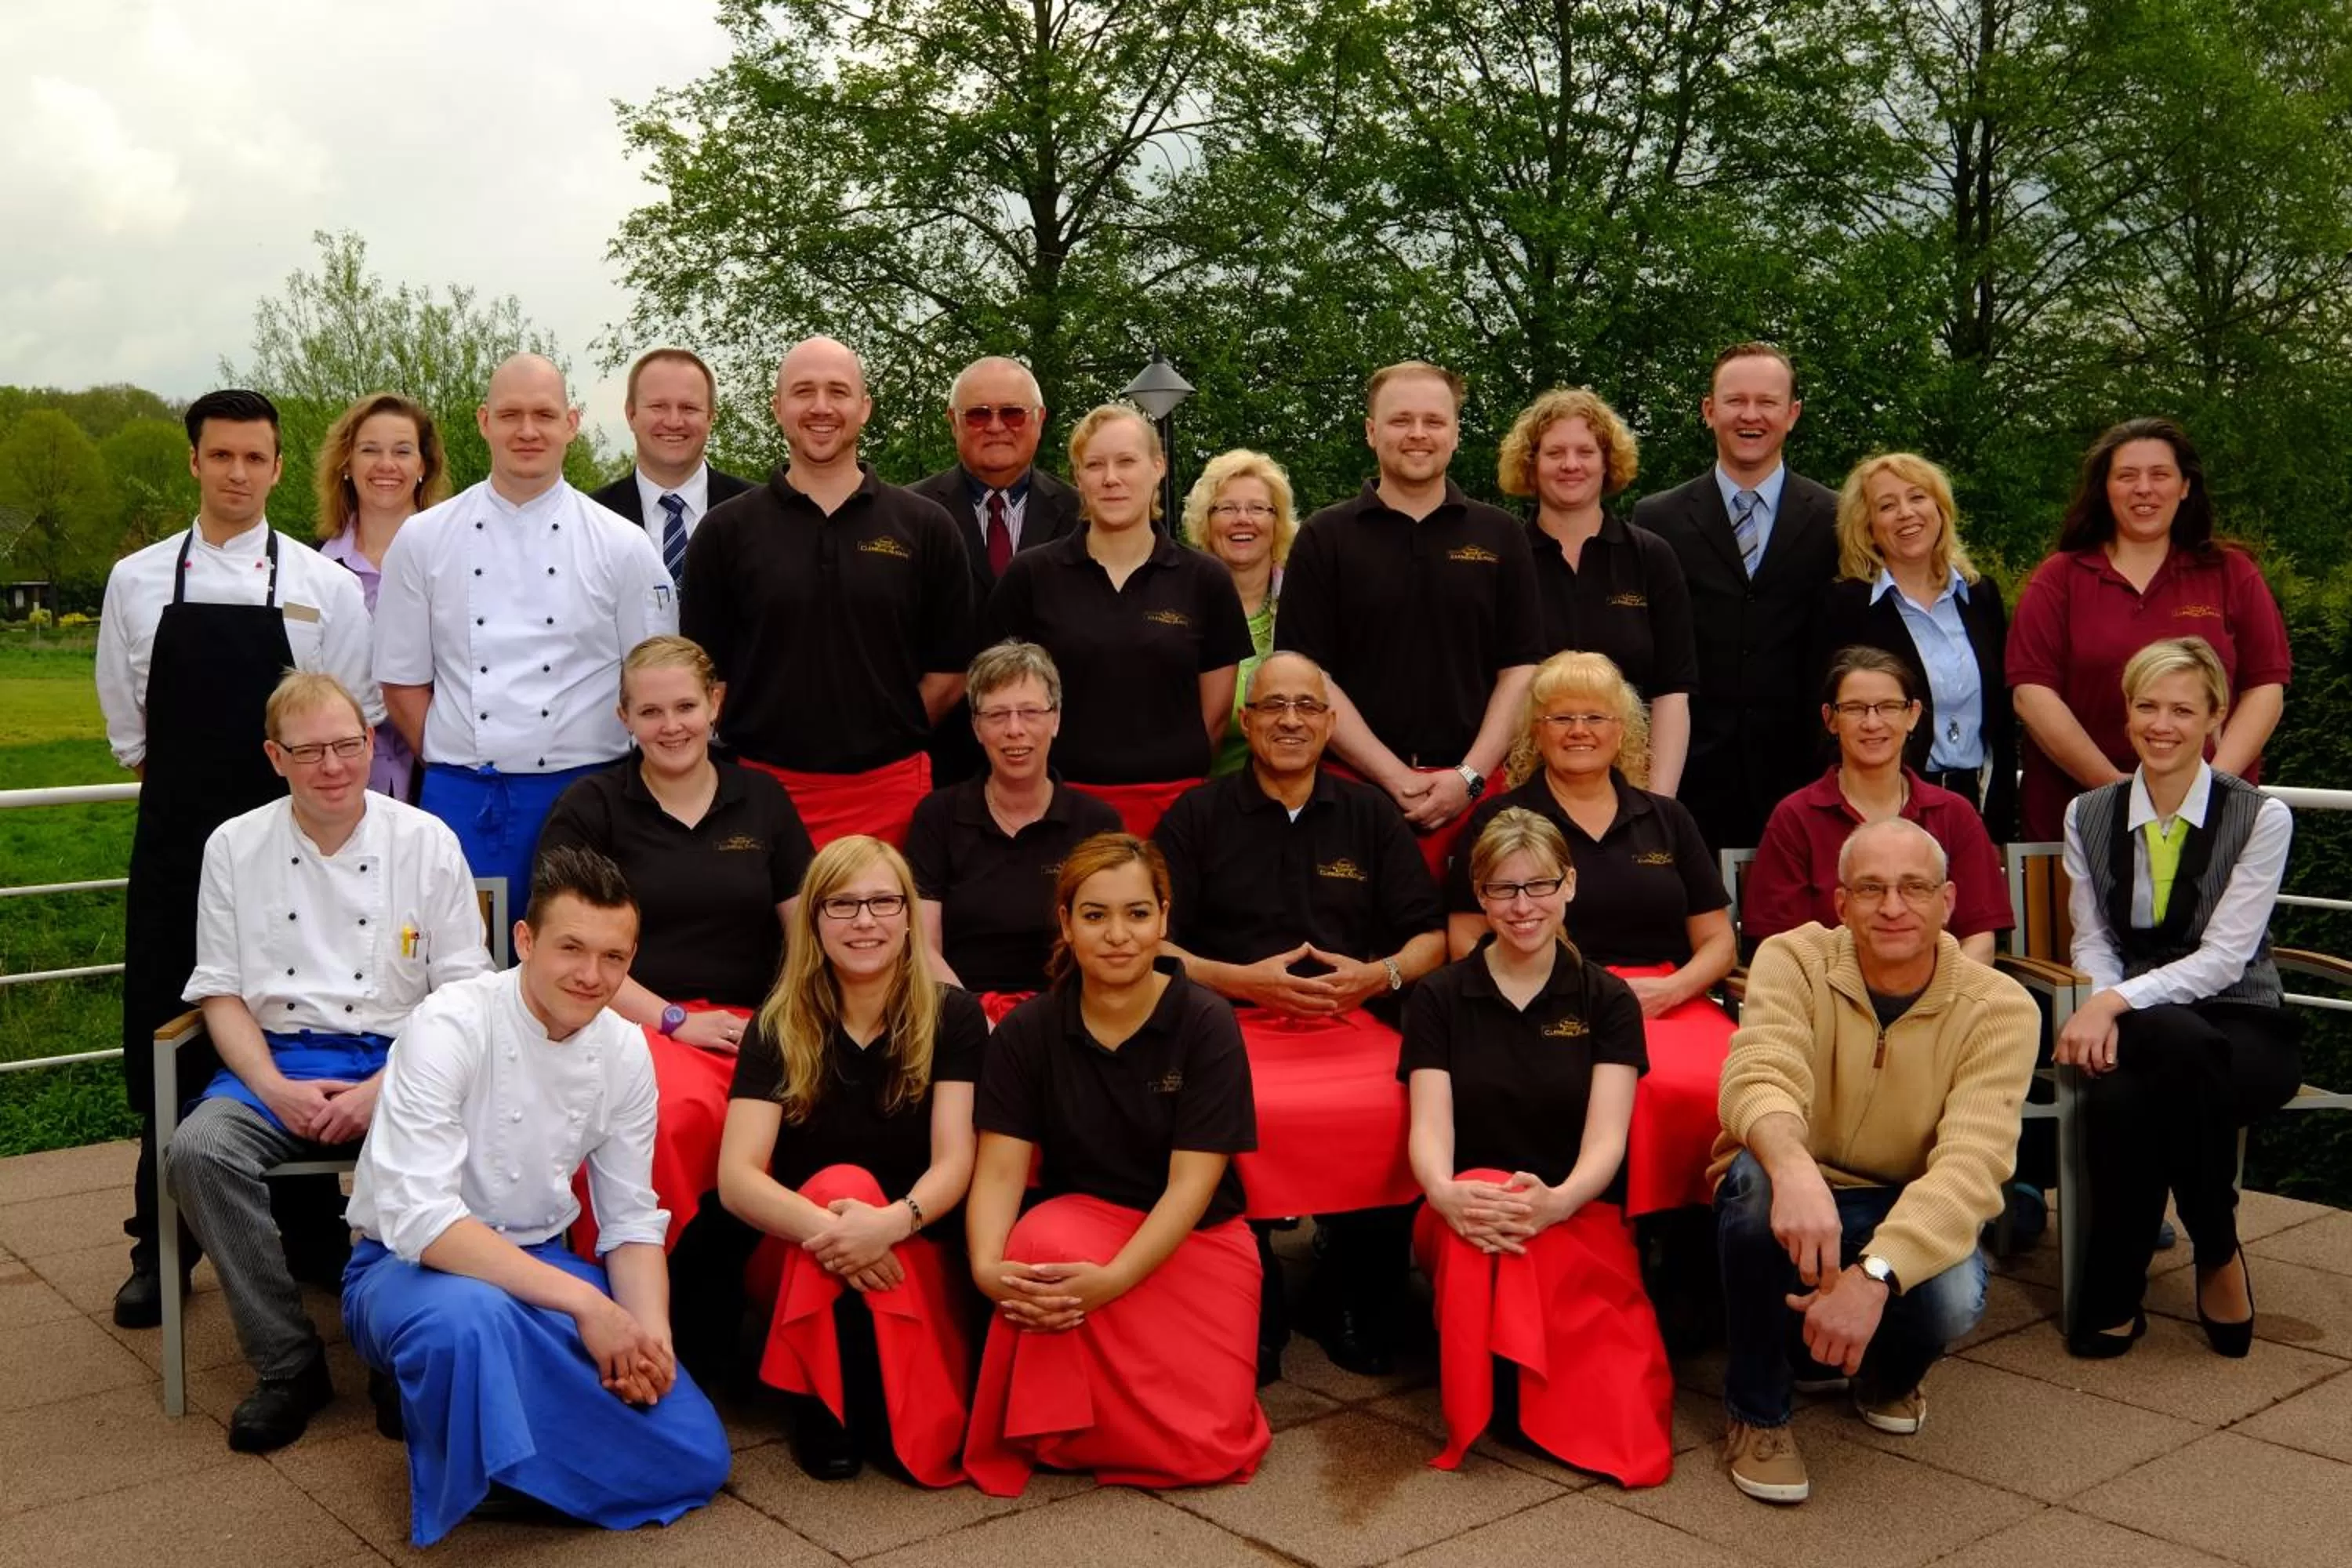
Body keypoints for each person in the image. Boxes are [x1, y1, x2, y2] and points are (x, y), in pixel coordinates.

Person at [343, 846, 731, 1546]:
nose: (591, 976)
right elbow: (426, 1222)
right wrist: (589, 1305)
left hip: (540, 1268)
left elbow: (631, 1220)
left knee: (699, 1452)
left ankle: (493, 1444)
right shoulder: (450, 1024)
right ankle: (479, 1454)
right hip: (406, 1273)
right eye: (571, 948)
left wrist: (650, 1338)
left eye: (614, 958)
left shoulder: (626, 1050)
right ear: (524, 941)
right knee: (468, 1319)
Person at [97, 387, 379, 1329]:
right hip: (180, 849)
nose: (238, 473)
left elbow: (352, 720)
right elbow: (131, 735)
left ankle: (307, 1238)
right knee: (168, 1037)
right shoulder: (136, 580)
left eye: (256, 458)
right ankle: (160, 1247)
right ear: (194, 461)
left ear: (277, 465)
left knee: (290, 1015)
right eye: (221, 456)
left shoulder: (323, 587)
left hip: (300, 849)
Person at [165, 672, 492, 1452]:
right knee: (198, 1150)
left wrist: (387, 1087)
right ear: (275, 756)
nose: (333, 766)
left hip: (405, 1054)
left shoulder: (426, 839)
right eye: (309, 751)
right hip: (274, 1056)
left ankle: (395, 1352)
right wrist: (273, 1088)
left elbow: (466, 991)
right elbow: (219, 992)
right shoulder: (234, 845)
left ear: (372, 742)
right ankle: (287, 1362)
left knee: (441, 1146)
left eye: (347, 745)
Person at [1711, 818, 2036, 1506]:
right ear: (1841, 904)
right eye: (1872, 889)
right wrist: (1795, 1168)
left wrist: (1875, 1277)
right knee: (1752, 1186)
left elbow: (1971, 1166)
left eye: (1914, 888)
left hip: (1907, 1197)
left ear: (1948, 902)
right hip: (1807, 1180)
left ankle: (1884, 1374)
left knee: (1952, 1297)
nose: (1893, 907)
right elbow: (1757, 1072)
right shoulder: (1792, 958)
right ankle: (1757, 1413)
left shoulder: (2000, 1007)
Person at [1153, 652, 1448, 1377]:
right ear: (1246, 721)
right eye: (1273, 706)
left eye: (1307, 707)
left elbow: (1432, 937)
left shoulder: (1369, 815)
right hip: (1226, 1025)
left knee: (1404, 1098)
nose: (1290, 720)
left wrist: (1379, 976)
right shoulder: (1196, 815)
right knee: (1212, 1105)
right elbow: (1148, 945)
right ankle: (1252, 1296)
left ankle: (1353, 1292)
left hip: (1351, 1023)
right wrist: (1240, 982)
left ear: (1330, 722)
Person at [963, 835, 1270, 1495]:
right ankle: (1063, 1429)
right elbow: (998, 1173)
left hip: (1196, 1240)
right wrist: (987, 1270)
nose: (1118, 935)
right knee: (1036, 1242)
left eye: (1137, 913)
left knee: (1205, 1453)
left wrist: (1116, 1279)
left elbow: (1194, 1185)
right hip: (1085, 1232)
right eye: (1095, 915)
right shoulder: (1027, 1031)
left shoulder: (1208, 1022)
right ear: (1066, 923)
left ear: (1164, 918)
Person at [706, 837, 988, 1483]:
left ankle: (857, 1401)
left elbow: (955, 1160)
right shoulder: (777, 1024)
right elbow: (737, 1179)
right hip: (800, 1249)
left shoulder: (955, 1017)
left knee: (853, 1188)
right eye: (843, 905)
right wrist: (842, 1233)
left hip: (911, 1244)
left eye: (884, 902)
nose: (865, 921)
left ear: (909, 916)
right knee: (839, 1183)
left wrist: (887, 1224)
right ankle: (822, 1406)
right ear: (814, 921)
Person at [1405, 808, 1673, 1483]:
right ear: (1480, 896)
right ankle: (1489, 1386)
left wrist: (1557, 1202)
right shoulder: (1438, 997)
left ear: (1570, 886)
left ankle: (1509, 1379)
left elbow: (1607, 1140)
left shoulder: (1608, 999)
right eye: (1502, 889)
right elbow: (1430, 1129)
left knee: (1628, 1423)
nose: (1522, 907)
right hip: (1466, 1214)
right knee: (1486, 1192)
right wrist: (1444, 1193)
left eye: (1539, 886)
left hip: (1575, 1215)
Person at [2056, 637, 2302, 1360]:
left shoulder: (2262, 816)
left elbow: (2226, 957)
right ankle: (2217, 1253)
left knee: (2136, 1091)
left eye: (2182, 710)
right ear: (2127, 713)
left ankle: (2123, 1287)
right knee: (2161, 1059)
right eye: (2147, 706)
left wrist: (2108, 1007)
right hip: (2145, 1023)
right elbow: (2093, 938)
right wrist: (2103, 1000)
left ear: (2215, 719)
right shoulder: (2089, 815)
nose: (2162, 725)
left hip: (2241, 1020)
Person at [536, 635, 815, 1246]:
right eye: (650, 712)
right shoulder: (592, 808)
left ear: (715, 703)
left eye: (686, 707)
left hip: (753, 1025)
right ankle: (641, 1281)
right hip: (634, 1023)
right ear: (624, 718)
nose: (671, 727)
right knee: (674, 1113)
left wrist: (780, 1024)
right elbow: (569, 954)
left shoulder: (762, 799)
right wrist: (673, 1020)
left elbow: (807, 935)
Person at [372, 353, 677, 909]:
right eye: (511, 415)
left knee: (581, 963)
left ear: (572, 423)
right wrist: (457, 759)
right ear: (484, 422)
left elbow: (655, 684)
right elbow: (401, 683)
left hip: (591, 796)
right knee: (465, 966)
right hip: (465, 800)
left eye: (544, 414)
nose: (528, 431)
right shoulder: (423, 539)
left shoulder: (623, 544)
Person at [1442, 652, 1736, 1222]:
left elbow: (1719, 942)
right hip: (1542, 999)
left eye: (1596, 717)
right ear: (1536, 730)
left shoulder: (1667, 819)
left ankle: (1695, 1240)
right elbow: (1464, 937)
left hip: (1665, 1000)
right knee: (1585, 1088)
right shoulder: (1501, 819)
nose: (1580, 731)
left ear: (1622, 730)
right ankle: (1603, 1228)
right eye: (1561, 718)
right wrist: (1559, 992)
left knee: (1721, 1088)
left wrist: (1674, 991)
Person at [682, 336, 975, 847]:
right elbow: (706, 673)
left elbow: (952, 670)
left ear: (864, 408)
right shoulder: (725, 531)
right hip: (759, 794)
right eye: (803, 392)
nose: (821, 408)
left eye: (838, 392)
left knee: (881, 930)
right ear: (778, 408)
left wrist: (884, 728)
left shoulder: (927, 526)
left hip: (891, 793)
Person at [1276, 361, 1544, 877]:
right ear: (1371, 432)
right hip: (1350, 792)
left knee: (1478, 947)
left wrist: (1467, 776)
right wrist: (1392, 775)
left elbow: (1522, 667)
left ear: (1456, 433)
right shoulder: (1324, 537)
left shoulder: (1501, 535)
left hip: (1478, 793)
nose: (1418, 435)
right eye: (1400, 421)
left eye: (1434, 421)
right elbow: (1308, 675)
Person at [2009, 417, 2291, 841]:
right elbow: (2031, 694)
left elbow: (2266, 687)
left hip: (2210, 823)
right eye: (2127, 476)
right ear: (2105, 489)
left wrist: (2206, 789)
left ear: (2185, 487)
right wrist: (2120, 794)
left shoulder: (2232, 574)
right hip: (2080, 822)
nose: (2144, 488)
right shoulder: (2060, 578)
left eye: (2160, 474)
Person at [983, 404, 1252, 836]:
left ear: (1158, 467)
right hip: (1058, 809)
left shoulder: (1205, 580)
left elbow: (1214, 720)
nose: (1111, 478)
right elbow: (996, 699)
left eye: (1126, 461)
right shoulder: (1031, 576)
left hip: (1175, 812)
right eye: (1095, 465)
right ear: (1079, 478)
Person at [1633, 342, 1838, 852]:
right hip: (1692, 776)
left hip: (1805, 774)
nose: (1751, 416)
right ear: (1709, 411)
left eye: (1767, 402)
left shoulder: (1837, 519)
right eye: (1735, 401)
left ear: (1792, 414)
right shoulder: (1656, 519)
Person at [1745, 648, 2012, 963]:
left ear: (1912, 715)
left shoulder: (1954, 814)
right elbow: (1777, 947)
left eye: (1888, 707)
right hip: (1828, 1001)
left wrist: (1942, 1001)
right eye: (1855, 709)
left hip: (1942, 1001)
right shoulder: (1796, 818)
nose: (1872, 723)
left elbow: (1980, 939)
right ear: (1830, 719)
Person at [906, 639, 1120, 1014]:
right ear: (976, 727)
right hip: (958, 1012)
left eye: (1030, 712)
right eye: (997, 715)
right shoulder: (936, 816)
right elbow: (924, 950)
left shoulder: (1097, 823)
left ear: (1055, 720)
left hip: (1067, 1014)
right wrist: (974, 1023)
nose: (1015, 730)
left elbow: (1109, 946)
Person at [1497, 387, 1694, 794]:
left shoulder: (1651, 557)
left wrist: (1657, 806)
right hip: (1520, 789)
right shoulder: (1502, 558)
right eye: (1555, 453)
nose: (1571, 465)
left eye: (1585, 452)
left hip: (1629, 788)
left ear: (1608, 463)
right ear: (1531, 467)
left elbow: (1672, 693)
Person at [1812, 452, 2013, 833]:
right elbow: (1827, 720)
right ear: (1868, 527)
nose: (1906, 513)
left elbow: (2001, 717)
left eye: (1918, 497)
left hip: (1980, 807)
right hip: (1888, 809)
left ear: (1941, 509)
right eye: (1887, 506)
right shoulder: (1844, 607)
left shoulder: (1981, 596)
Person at [907, 356, 1083, 786]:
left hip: (1062, 761)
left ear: (1039, 420)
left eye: (1013, 413)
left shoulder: (1085, 515)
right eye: (979, 414)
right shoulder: (908, 516)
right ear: (953, 422)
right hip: (938, 760)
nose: (996, 426)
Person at [314, 391, 452, 800]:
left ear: (423, 466)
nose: (386, 465)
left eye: (403, 451)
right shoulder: (311, 570)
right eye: (370, 450)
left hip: (439, 777)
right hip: (334, 779)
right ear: (346, 464)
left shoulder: (459, 560)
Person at [587, 347, 756, 585]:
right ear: (631, 414)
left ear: (710, 417)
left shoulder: (762, 516)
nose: (674, 422)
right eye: (658, 407)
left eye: (689, 408)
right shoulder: (590, 520)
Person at [1181, 449, 1298, 779]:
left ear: (1278, 522)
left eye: (1258, 508)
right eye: (1227, 508)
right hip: (1196, 796)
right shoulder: (1178, 605)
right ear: (1206, 521)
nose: (1242, 519)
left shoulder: (1303, 603)